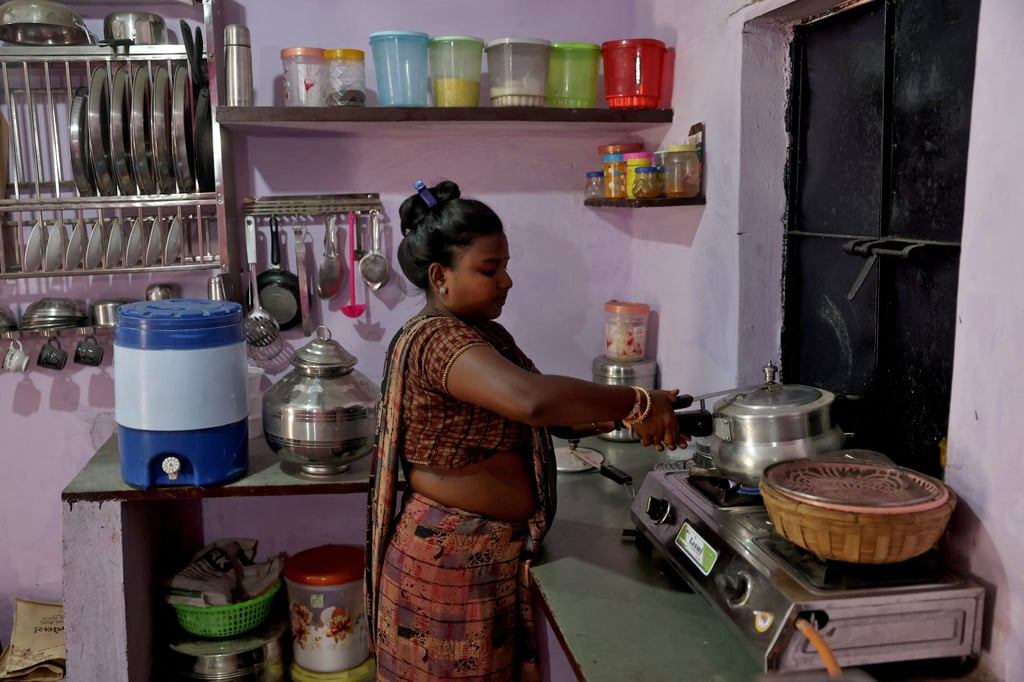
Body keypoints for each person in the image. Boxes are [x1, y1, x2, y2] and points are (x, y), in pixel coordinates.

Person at [365, 180, 691, 682]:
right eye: (489, 269)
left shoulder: (482, 334)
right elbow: (532, 401)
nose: (507, 281)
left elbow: (544, 413)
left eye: (506, 266)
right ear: (440, 276)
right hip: (446, 571)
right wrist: (635, 400)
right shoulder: (436, 338)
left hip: (481, 559)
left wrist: (633, 414)